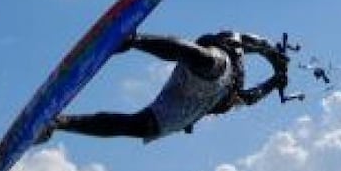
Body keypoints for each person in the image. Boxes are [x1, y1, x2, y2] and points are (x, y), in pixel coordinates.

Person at [37, 30, 288, 143]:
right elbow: (258, 43)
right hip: (210, 66)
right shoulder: (231, 45)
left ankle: (59, 123)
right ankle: (132, 40)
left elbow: (251, 97)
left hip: (189, 104)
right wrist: (275, 57)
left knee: (140, 126)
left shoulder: (233, 97)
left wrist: (275, 80)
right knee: (207, 59)